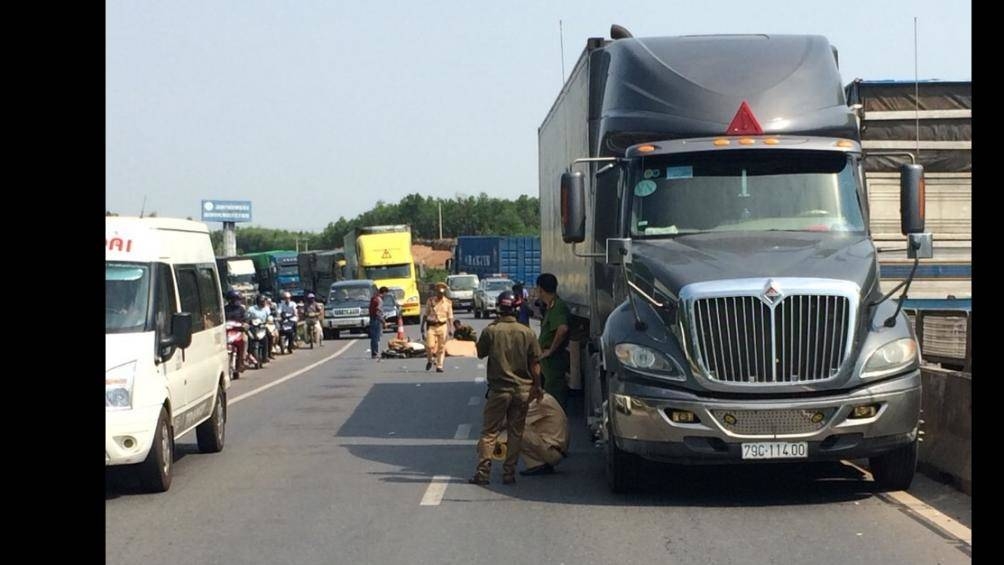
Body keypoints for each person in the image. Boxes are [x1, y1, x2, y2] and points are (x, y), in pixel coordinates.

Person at [470, 290, 543, 486]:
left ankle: (483, 473)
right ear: (517, 309)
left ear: (499, 309)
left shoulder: (491, 331)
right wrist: (537, 387)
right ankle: (509, 473)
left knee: (489, 432)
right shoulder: (527, 332)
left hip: (498, 391)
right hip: (521, 391)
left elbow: (480, 353)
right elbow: (535, 364)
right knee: (515, 432)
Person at [536, 273, 571, 405]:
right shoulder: (550, 307)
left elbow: (562, 329)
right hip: (548, 364)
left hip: (554, 362)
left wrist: (550, 350)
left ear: (541, 289)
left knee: (554, 401)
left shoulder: (558, 306)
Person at [518, 392, 569, 475]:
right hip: (555, 449)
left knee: (517, 429)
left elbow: (516, 419)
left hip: (552, 451)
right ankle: (538, 464)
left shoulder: (540, 403)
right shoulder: (546, 398)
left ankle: (538, 464)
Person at [421, 282, 454, 372]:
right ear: (436, 292)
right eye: (439, 293)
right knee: (429, 346)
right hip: (432, 326)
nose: (440, 295)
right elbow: (425, 314)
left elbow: (450, 316)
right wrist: (422, 327)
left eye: (442, 293)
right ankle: (430, 360)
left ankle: (439, 366)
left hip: (442, 326)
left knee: (441, 347)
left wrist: (451, 328)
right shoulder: (430, 301)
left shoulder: (448, 302)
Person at [224, 289, 248, 372]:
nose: (236, 301)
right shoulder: (225, 309)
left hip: (238, 331)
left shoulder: (241, 309)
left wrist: (244, 325)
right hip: (228, 332)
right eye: (234, 299)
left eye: (237, 299)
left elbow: (245, 319)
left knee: (244, 340)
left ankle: (242, 361)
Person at [246, 294, 274, 364]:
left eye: (264, 301)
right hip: (253, 328)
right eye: (262, 301)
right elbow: (246, 317)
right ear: (258, 302)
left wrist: (269, 321)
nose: (264, 303)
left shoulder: (267, 309)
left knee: (269, 337)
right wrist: (247, 323)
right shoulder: (251, 309)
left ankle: (267, 354)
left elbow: (269, 317)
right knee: (248, 339)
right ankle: (249, 355)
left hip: (263, 327)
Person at [368, 286, 389, 360]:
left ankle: (374, 353)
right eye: (386, 294)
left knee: (373, 337)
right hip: (376, 320)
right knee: (376, 337)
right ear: (384, 293)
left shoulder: (374, 298)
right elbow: (378, 312)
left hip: (372, 319)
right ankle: (375, 353)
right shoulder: (379, 300)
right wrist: (383, 322)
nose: (386, 296)